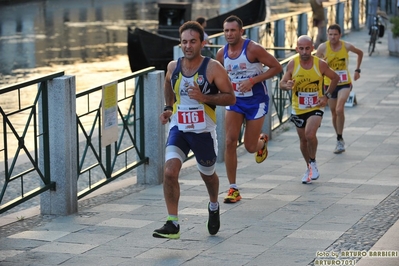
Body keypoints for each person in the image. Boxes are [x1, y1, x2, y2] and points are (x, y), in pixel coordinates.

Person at [153, 21, 236, 239]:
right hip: (179, 128)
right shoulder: (174, 66)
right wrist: (168, 108)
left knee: (207, 176)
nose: (188, 46)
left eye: (192, 41)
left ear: (201, 43)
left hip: (203, 132)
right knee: (170, 171)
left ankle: (214, 205)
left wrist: (204, 97)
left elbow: (230, 97)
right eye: (184, 42)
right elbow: (168, 83)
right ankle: (172, 223)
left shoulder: (212, 68)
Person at [216, 15, 282, 203]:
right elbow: (216, 75)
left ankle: (261, 141)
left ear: (241, 31)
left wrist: (253, 80)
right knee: (229, 141)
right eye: (226, 30)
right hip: (235, 101)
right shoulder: (222, 54)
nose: (229, 34)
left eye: (233, 30)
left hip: (256, 101)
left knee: (250, 147)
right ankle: (233, 188)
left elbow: (276, 67)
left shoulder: (253, 49)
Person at [279, 35, 339, 184]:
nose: (304, 51)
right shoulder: (293, 64)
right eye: (301, 48)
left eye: (307, 48)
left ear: (312, 48)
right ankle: (309, 167)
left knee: (310, 134)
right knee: (303, 139)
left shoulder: (320, 64)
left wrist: (326, 97)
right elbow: (282, 82)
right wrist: (286, 85)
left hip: (315, 106)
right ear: (296, 48)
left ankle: (312, 162)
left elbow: (335, 78)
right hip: (298, 107)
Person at [316, 24, 363, 154]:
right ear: (327, 35)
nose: (333, 37)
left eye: (335, 34)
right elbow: (314, 62)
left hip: (344, 83)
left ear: (340, 35)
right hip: (329, 84)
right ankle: (339, 138)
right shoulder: (322, 47)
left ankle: (339, 139)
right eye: (330, 34)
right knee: (333, 113)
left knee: (339, 109)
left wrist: (357, 70)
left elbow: (360, 53)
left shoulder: (346, 46)